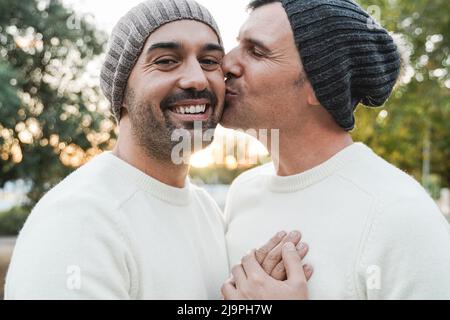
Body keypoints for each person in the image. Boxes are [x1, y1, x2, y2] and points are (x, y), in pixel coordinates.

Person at [5, 0, 311, 300]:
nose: (196, 79)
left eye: (209, 62)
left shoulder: (206, 211)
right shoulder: (79, 220)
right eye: (166, 61)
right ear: (122, 91)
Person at [221, 0, 450, 299]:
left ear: (319, 83)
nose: (226, 63)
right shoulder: (242, 193)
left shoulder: (400, 215)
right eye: (238, 44)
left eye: (256, 51)